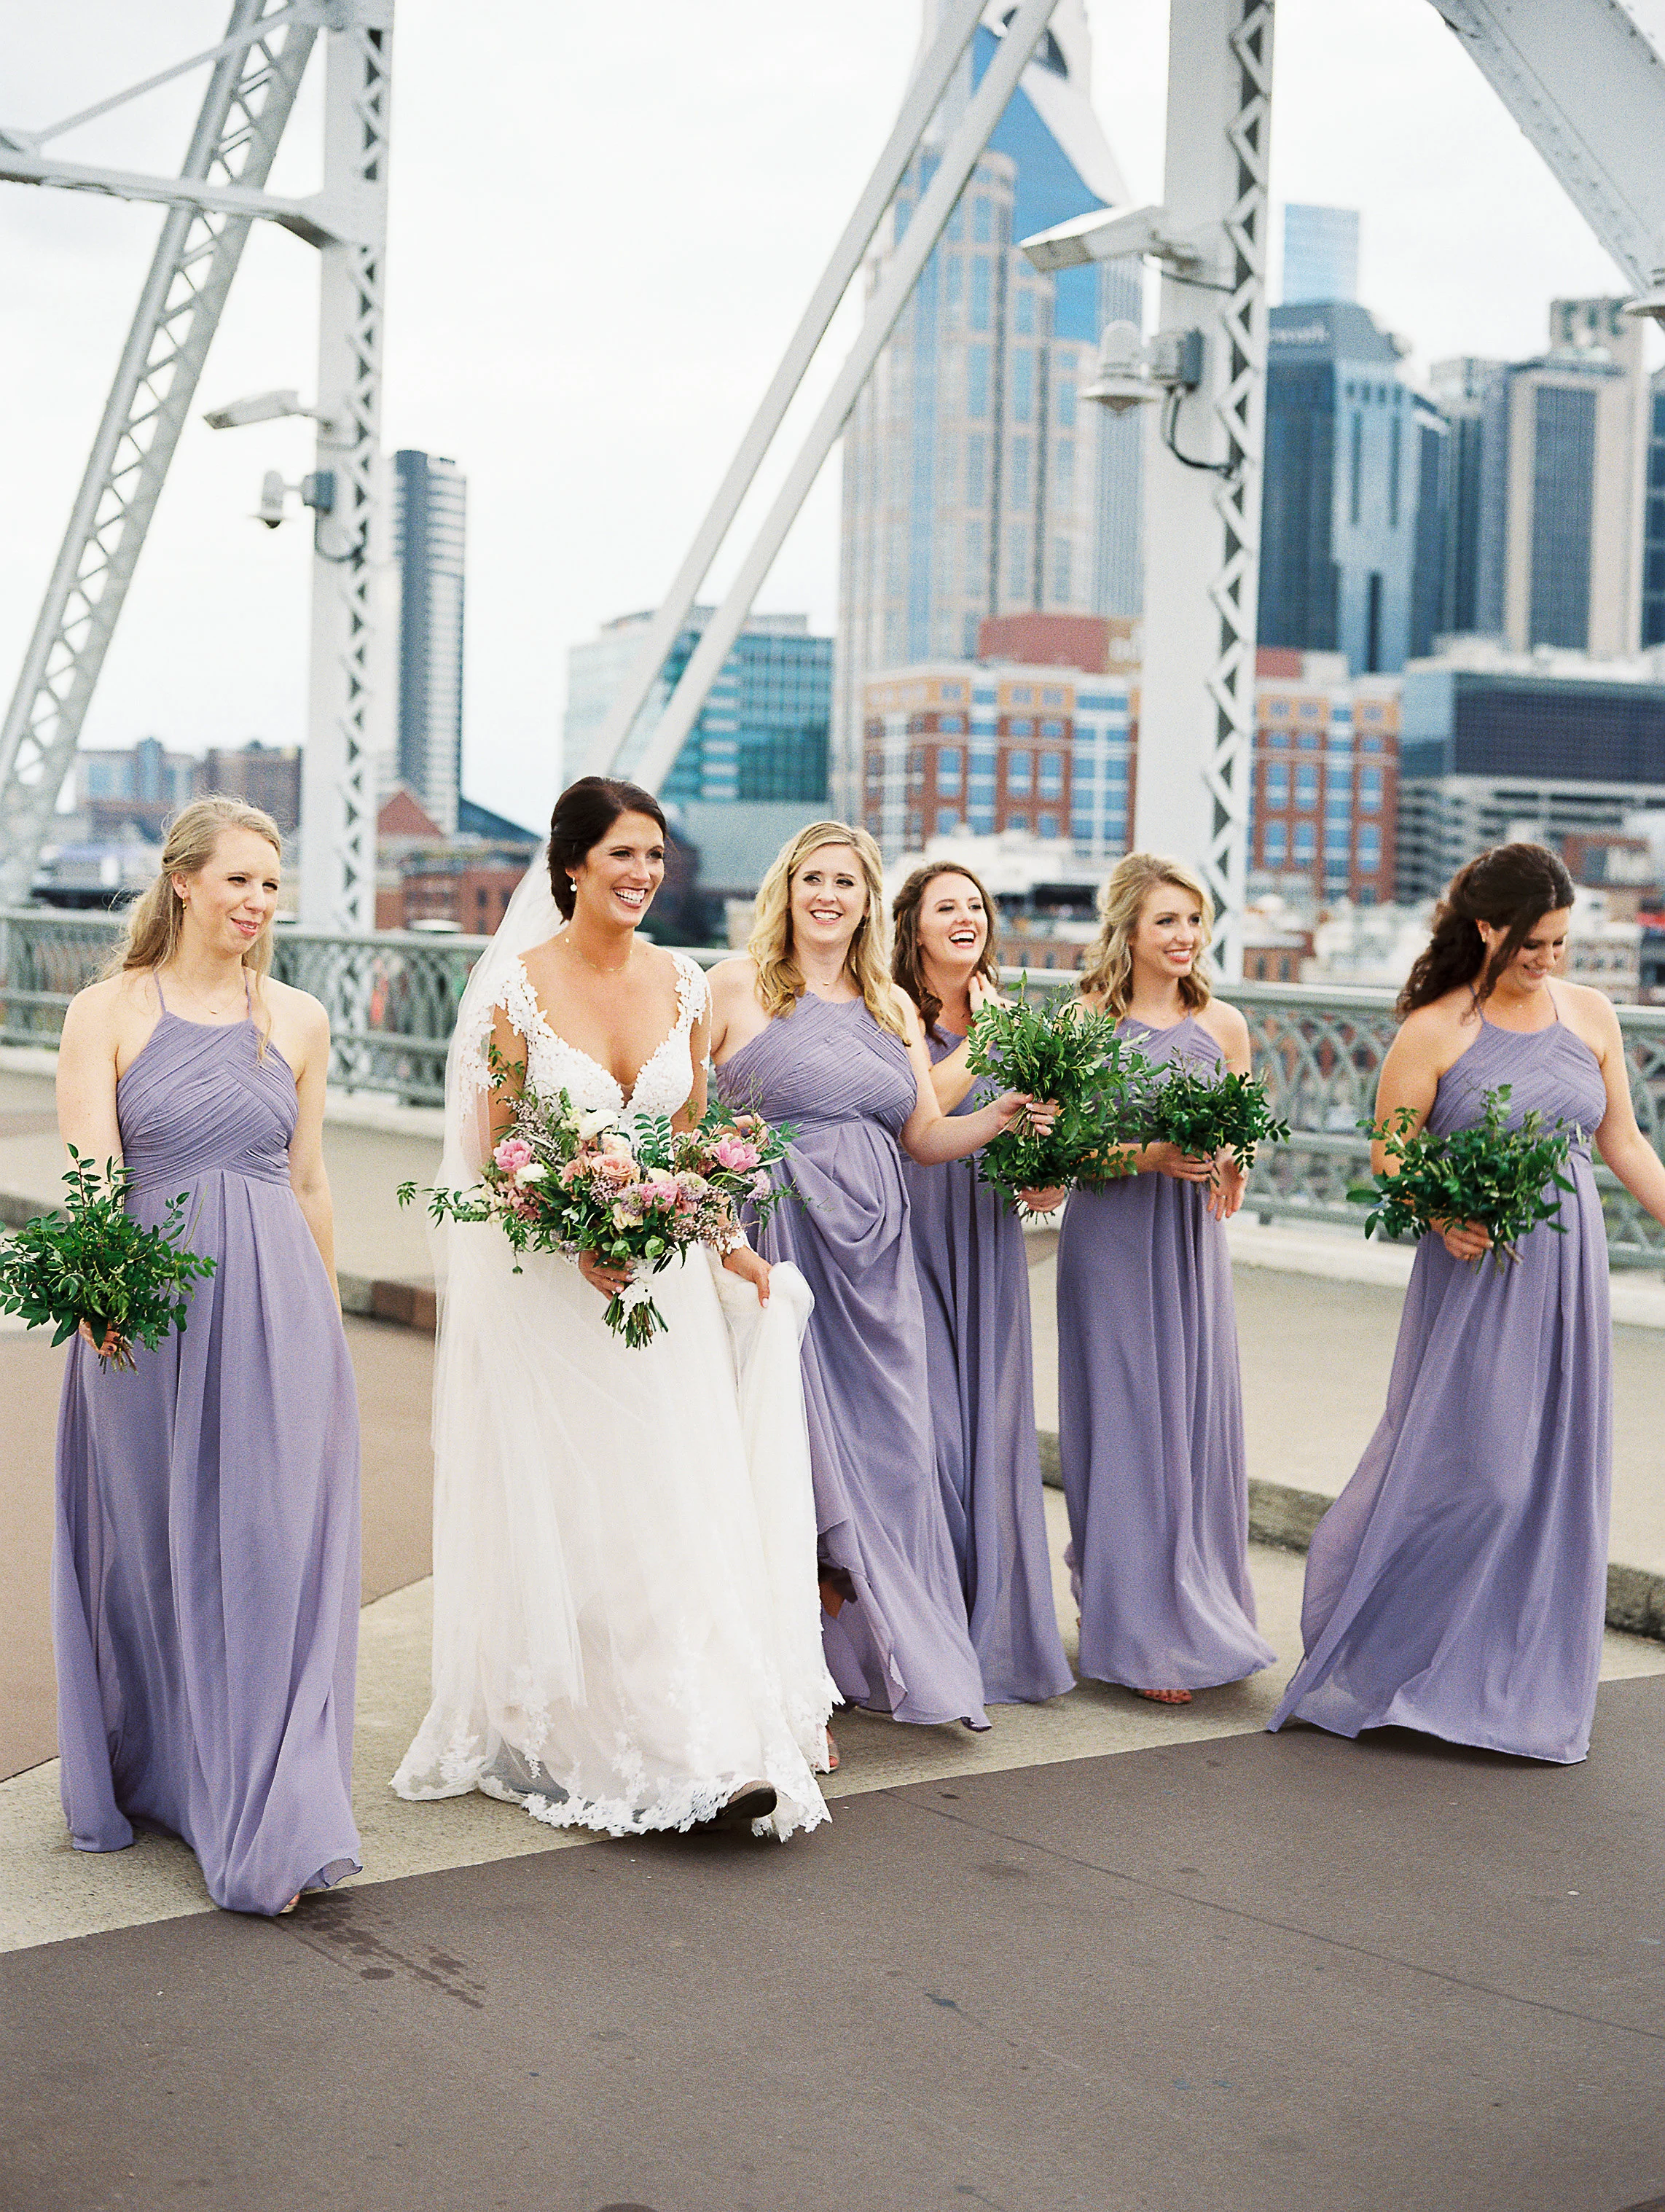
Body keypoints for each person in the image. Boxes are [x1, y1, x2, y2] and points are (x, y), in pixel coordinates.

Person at [393, 777, 834, 1840]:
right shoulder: (515, 993)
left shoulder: (682, 982)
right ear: (572, 864)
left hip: (664, 1288)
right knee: (588, 1512)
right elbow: (492, 1156)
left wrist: (728, 1245)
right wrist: (570, 1227)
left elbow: (691, 1134)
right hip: (555, 1291)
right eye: (623, 855)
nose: (642, 874)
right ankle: (593, 1732)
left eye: (654, 856)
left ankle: (709, 1748)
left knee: (676, 1507)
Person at [1270, 843, 1665, 1764]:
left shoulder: (1592, 1013)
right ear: (1486, 929)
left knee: (1549, 1481)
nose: (1548, 960)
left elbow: (1625, 1142)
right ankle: (1383, 1657)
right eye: (1533, 943)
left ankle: (1503, 1687)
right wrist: (1440, 1209)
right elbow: (1389, 1153)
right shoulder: (1434, 1027)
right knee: (1477, 1474)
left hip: (1568, 1268)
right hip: (1476, 1269)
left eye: (1561, 943)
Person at [52, 797, 361, 1917]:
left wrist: (328, 1327)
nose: (257, 903)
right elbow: (90, 1171)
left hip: (280, 1304)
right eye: (239, 881)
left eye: (271, 886)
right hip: (146, 1310)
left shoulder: (300, 1017)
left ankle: (268, 1809)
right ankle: (168, 1772)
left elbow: (313, 1181)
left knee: (269, 1548)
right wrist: (97, 1292)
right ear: (182, 881)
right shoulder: (108, 1010)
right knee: (158, 1548)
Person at [708, 821, 1052, 1735]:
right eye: (812, 877)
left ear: (867, 902)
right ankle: (788, 1673)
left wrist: (1007, 1110)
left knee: (900, 1453)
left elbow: (925, 1137)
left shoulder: (892, 1006)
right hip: (778, 1239)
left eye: (847, 882)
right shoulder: (733, 987)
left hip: (878, 1255)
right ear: (785, 887)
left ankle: (886, 1649)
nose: (828, 895)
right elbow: (685, 1116)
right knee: (786, 1453)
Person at [1054, 853, 1276, 1706]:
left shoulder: (1224, 1024)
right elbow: (1059, 1152)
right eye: (1166, 922)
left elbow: (1241, 1134)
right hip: (1109, 1241)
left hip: (1188, 1247)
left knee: (1189, 1421)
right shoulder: (1082, 1022)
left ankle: (1195, 1607)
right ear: (1128, 932)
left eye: (1193, 921)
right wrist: (1146, 1152)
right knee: (1126, 1424)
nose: (1183, 937)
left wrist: (1231, 1160)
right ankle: (1132, 1627)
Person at [889, 861, 1073, 1705]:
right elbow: (913, 1113)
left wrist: (1049, 1175)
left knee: (990, 1429)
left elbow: (1043, 1130)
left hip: (986, 1234)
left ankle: (989, 1633)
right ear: (913, 928)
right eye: (945, 907)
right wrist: (982, 1045)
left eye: (975, 906)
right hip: (905, 1231)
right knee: (928, 1432)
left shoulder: (1010, 1014)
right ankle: (916, 1634)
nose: (964, 918)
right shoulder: (886, 1007)